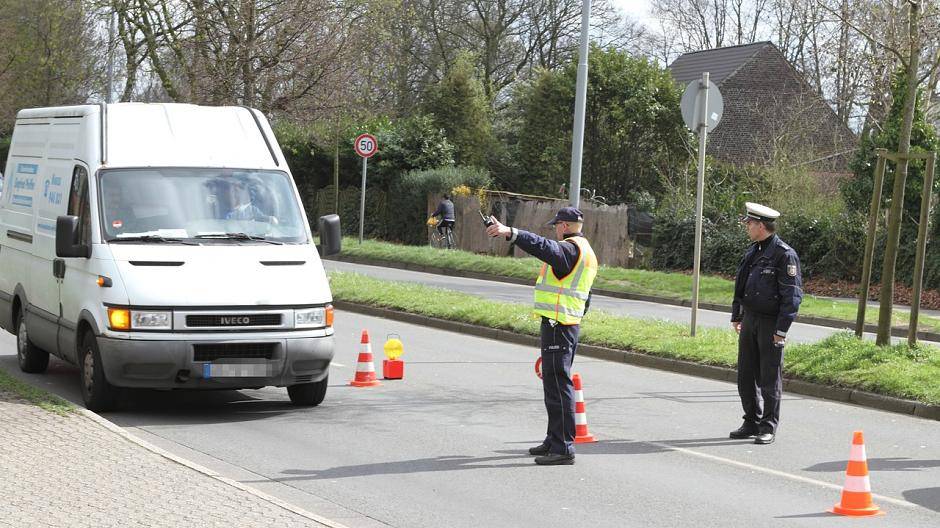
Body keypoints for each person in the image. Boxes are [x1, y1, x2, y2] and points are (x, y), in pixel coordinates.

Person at [486, 206, 597, 465]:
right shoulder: (586, 251)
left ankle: (563, 448)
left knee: (558, 385)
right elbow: (587, 295)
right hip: (565, 323)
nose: (556, 230)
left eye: (558, 225)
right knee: (553, 383)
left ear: (565, 226)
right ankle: (553, 439)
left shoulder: (569, 249)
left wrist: (510, 232)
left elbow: (542, 246)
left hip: (560, 324)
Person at [729, 202, 803, 445]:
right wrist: (737, 315)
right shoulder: (754, 250)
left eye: (749, 223)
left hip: (771, 323)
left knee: (769, 376)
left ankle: (768, 425)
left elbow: (791, 296)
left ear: (761, 225)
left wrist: (781, 330)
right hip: (750, 319)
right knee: (746, 374)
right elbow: (741, 285)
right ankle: (751, 420)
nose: (747, 227)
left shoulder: (784, 254)